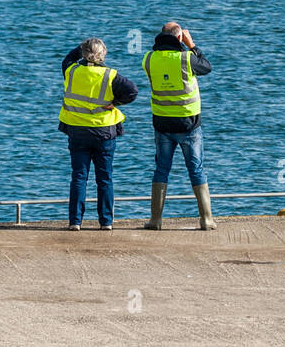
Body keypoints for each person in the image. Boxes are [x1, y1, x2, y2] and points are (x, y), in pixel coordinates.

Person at [141, 21, 216, 230]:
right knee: (196, 169)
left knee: (161, 169)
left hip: (162, 123)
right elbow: (207, 67)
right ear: (180, 37)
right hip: (188, 124)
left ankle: (156, 220)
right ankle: (207, 219)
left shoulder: (148, 59)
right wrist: (193, 46)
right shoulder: (186, 58)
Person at [58, 37, 138, 231]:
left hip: (77, 130)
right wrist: (115, 104)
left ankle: (75, 222)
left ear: (84, 53)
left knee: (79, 176)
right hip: (104, 131)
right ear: (103, 55)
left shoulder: (72, 71)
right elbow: (132, 92)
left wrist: (81, 48)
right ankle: (106, 222)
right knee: (104, 178)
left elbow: (67, 59)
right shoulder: (110, 75)